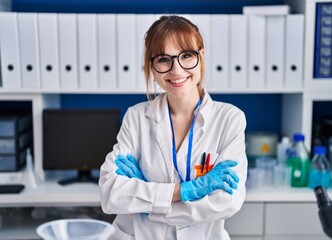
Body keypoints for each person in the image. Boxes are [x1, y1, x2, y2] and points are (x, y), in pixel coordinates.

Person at [99, 15, 248, 240]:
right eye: (163, 59)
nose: (176, 70)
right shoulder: (136, 117)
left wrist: (147, 203)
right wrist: (185, 191)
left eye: (186, 56)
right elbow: (110, 194)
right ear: (151, 65)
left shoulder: (229, 119)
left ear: (201, 56)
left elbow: (226, 202)